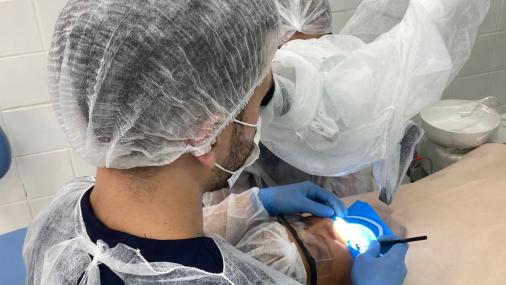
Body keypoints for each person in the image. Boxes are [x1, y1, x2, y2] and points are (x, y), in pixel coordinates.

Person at [23, 0, 408, 284]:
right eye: (260, 100)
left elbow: (139, 255)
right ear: (202, 134)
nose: (258, 122)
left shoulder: (57, 219)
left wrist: (252, 205)